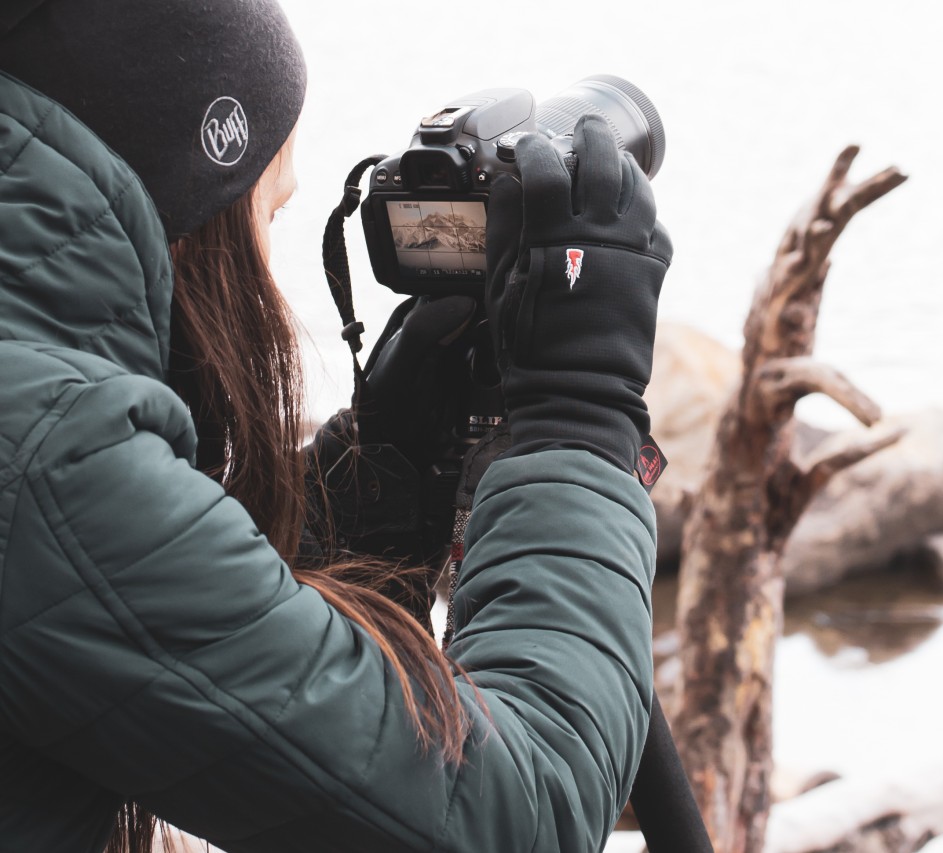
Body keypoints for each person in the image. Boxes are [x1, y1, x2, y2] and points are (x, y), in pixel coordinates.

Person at [0, 1, 672, 851]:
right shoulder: (51, 455)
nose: (271, 273)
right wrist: (579, 419)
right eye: (270, 212)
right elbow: (521, 810)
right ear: (187, 206)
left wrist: (359, 490)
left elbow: (133, 637)